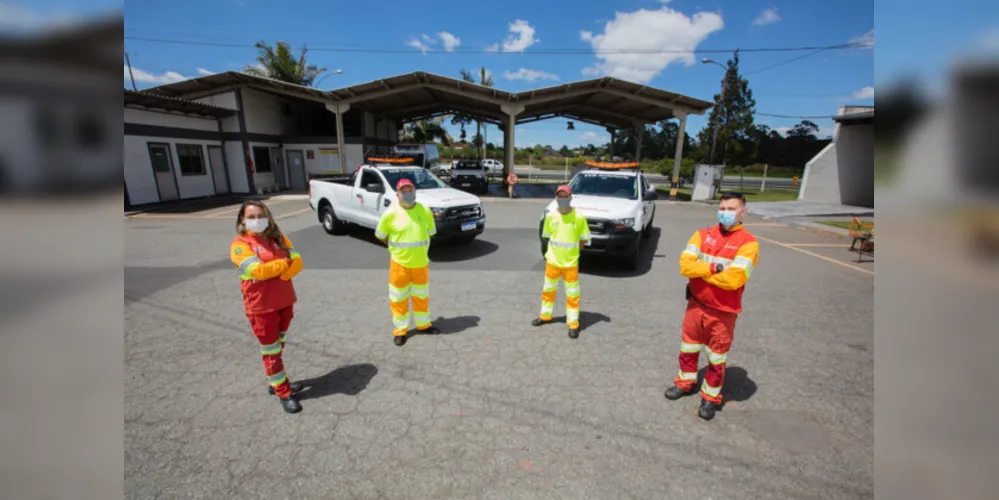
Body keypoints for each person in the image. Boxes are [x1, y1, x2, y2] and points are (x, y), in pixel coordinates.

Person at [664, 192, 759, 420]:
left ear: (742, 212)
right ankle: (685, 383)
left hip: (723, 312)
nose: (726, 212)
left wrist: (702, 271)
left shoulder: (748, 243)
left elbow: (734, 280)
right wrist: (715, 269)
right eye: (723, 207)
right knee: (689, 348)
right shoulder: (701, 235)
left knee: (716, 357)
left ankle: (710, 398)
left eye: (732, 208)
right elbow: (685, 267)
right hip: (696, 305)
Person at [229, 200, 304, 414]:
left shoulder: (278, 238)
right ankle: (283, 391)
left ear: (268, 216)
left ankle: (275, 381)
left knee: (278, 346)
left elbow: (298, 261)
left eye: (260, 215)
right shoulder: (240, 245)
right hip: (261, 307)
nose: (256, 220)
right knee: (272, 352)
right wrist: (284, 265)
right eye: (251, 217)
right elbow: (257, 271)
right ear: (242, 220)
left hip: (285, 302)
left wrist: (284, 268)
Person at [375, 178, 441, 346]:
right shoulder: (390, 214)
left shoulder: (424, 211)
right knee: (398, 299)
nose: (407, 194)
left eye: (410, 190)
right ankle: (401, 330)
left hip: (420, 264)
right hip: (399, 264)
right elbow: (381, 236)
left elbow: (431, 232)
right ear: (397, 195)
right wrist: (396, 248)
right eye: (403, 191)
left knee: (421, 297)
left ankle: (423, 325)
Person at [532, 184, 592, 338]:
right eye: (560, 196)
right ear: (556, 198)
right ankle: (545, 316)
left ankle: (573, 324)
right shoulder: (551, 215)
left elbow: (584, 239)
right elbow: (547, 237)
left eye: (565, 196)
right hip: (553, 261)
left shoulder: (578, 216)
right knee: (548, 291)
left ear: (570, 198)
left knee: (572, 295)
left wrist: (574, 251)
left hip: (570, 263)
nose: (562, 199)